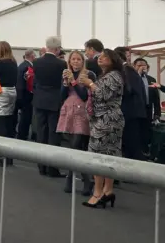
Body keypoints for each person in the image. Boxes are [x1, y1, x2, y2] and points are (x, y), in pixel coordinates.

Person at [78, 49, 124, 209]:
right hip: (107, 119)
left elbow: (104, 95)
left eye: (105, 57)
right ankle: (107, 191)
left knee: (98, 155)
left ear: (113, 60)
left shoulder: (114, 76)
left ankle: (98, 192)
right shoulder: (108, 75)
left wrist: (90, 84)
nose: (100, 59)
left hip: (106, 120)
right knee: (109, 154)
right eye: (100, 57)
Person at [57, 51, 96, 196]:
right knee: (73, 147)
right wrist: (65, 83)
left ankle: (80, 178)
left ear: (82, 61)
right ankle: (80, 178)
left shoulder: (88, 74)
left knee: (76, 145)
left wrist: (73, 80)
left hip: (82, 112)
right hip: (69, 110)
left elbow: (85, 95)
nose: (75, 62)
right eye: (73, 59)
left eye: (78, 59)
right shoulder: (66, 73)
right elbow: (61, 95)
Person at [33, 36, 67, 177]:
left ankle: (41, 166)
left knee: (41, 132)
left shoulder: (36, 62)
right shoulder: (61, 64)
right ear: (58, 48)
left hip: (40, 99)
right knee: (53, 134)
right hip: (54, 100)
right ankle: (52, 168)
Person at [0, 41, 18, 166]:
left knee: (1, 124)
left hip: (1, 93)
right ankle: (9, 156)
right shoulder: (13, 62)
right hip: (12, 91)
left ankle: (1, 155)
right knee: (9, 123)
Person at [115, 47, 147, 161]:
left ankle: (137, 174)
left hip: (131, 113)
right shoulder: (127, 69)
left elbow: (131, 90)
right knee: (129, 144)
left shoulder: (127, 69)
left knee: (132, 144)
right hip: (131, 112)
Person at [16, 49, 35, 141]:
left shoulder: (21, 65)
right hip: (26, 96)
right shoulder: (28, 67)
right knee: (25, 118)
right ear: (32, 56)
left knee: (24, 117)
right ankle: (23, 136)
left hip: (21, 95)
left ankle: (22, 135)